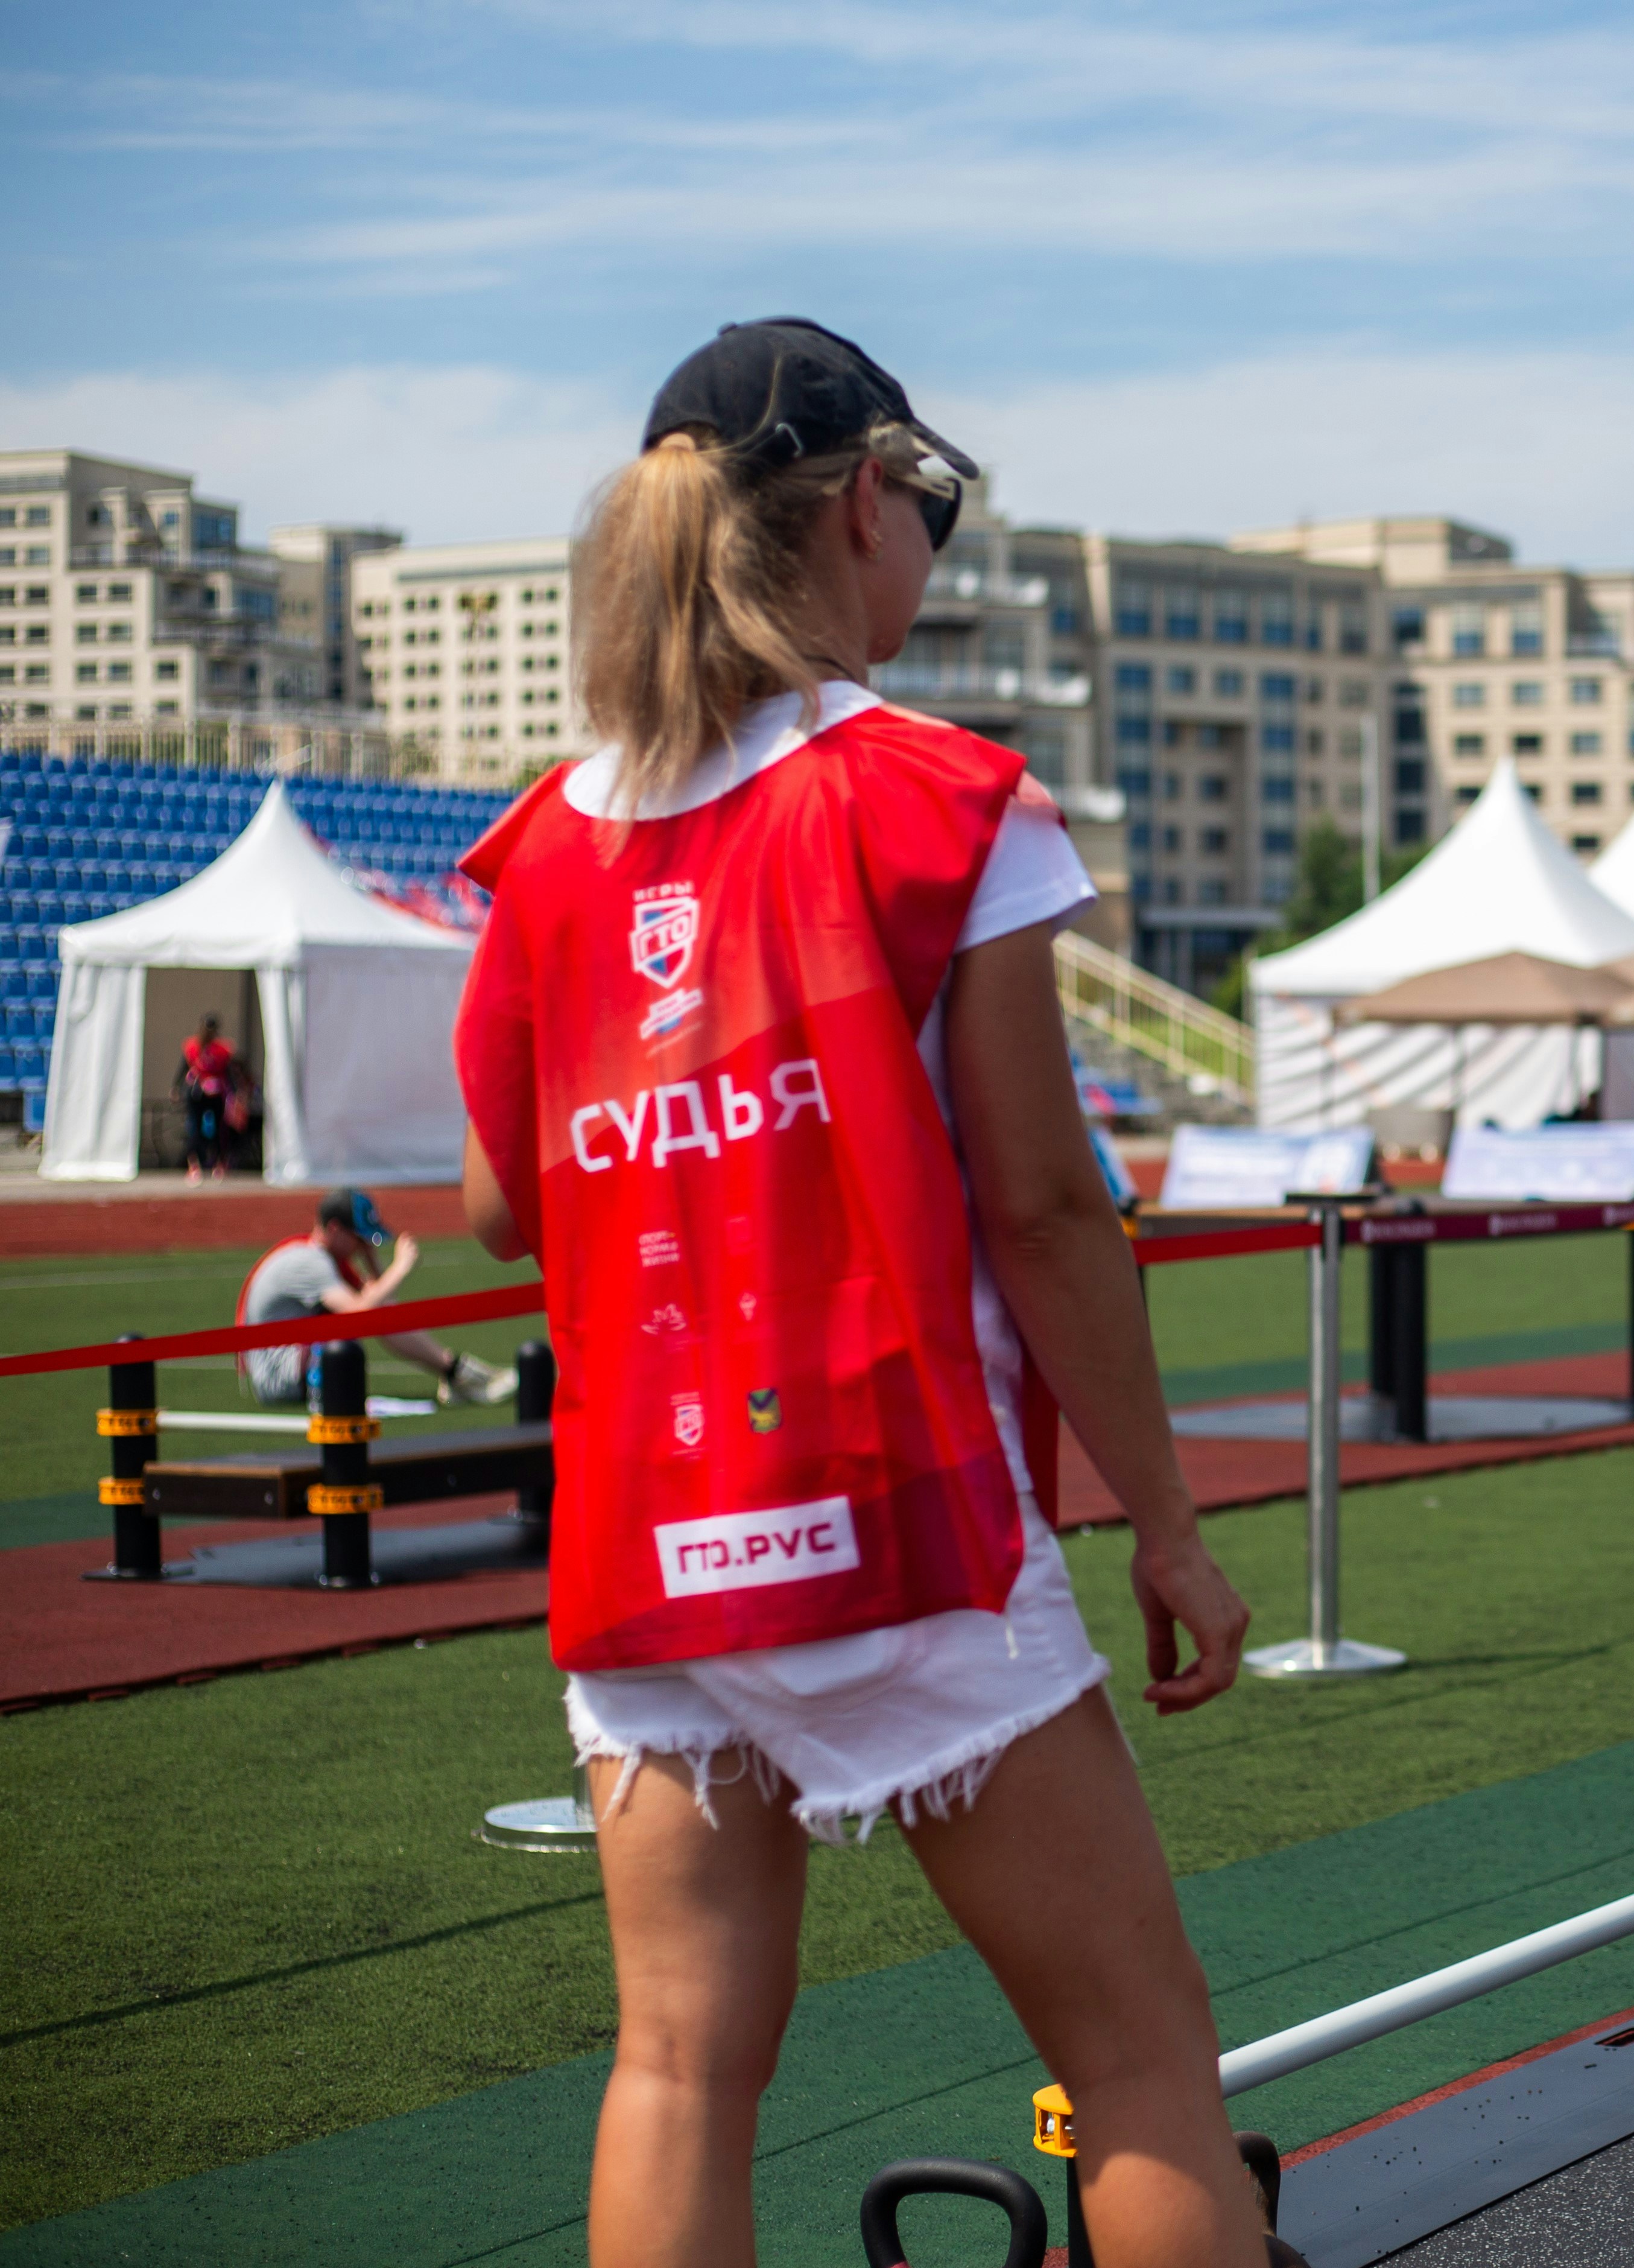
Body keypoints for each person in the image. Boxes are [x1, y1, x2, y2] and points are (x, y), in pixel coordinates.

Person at [449, 319, 1279, 2268]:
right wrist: (1168, 1522)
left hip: (648, 1536)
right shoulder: (941, 796)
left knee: (676, 2061)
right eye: (929, 504)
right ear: (851, 505)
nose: (930, 546)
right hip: (897, 1512)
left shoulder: (547, 841)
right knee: (1139, 2055)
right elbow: (1053, 1211)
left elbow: (501, 1201)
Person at [239, 1187, 516, 1408]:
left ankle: (454, 1372)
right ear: (334, 1229)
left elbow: (385, 1310)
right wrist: (400, 1268)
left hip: (293, 1367)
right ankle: (457, 1374)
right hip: (278, 1380)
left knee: (373, 1309)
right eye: (359, 1239)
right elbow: (361, 1314)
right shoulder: (310, 1262)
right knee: (360, 1316)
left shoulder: (326, 1259)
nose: (362, 1246)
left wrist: (372, 1263)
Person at [178, 1014, 239, 1181]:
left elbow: (228, 1073)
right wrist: (176, 1088)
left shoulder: (222, 1049)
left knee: (220, 1130)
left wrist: (234, 1093)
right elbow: (184, 1067)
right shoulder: (192, 1046)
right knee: (195, 1129)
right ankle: (194, 1165)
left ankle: (219, 1164)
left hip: (216, 1093)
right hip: (197, 1093)